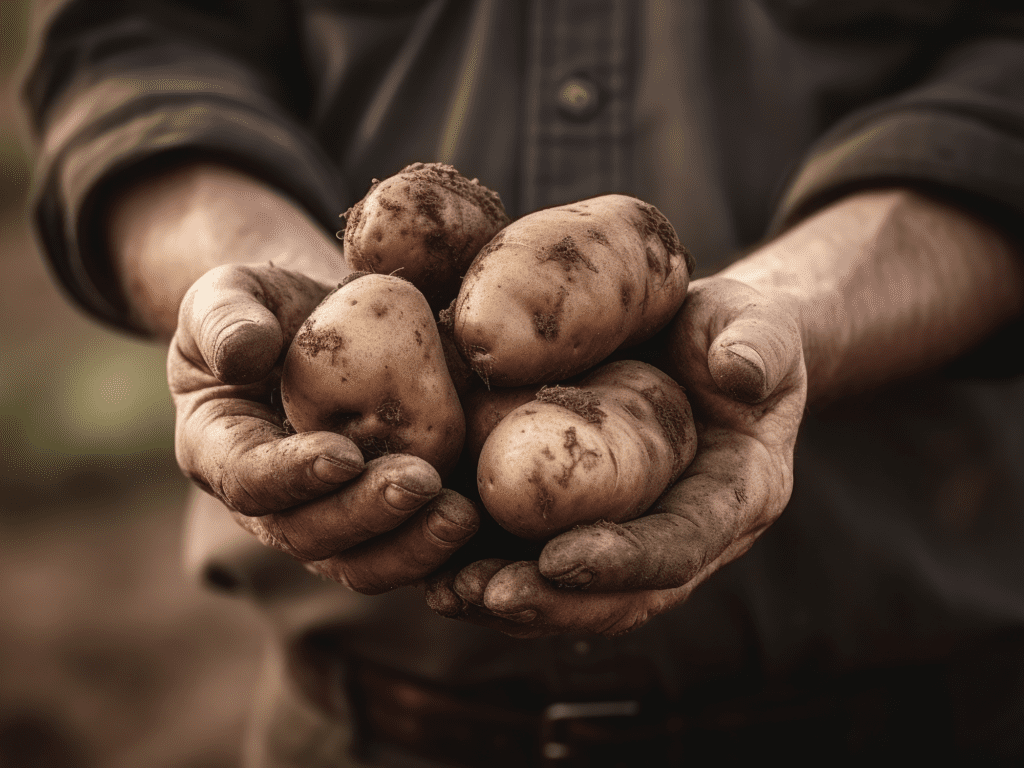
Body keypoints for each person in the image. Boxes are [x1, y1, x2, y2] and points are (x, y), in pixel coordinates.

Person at [21, 0, 1024, 764]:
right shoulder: (403, 313)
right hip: (362, 731)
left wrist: (796, 314)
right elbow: (136, 40)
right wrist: (259, 289)